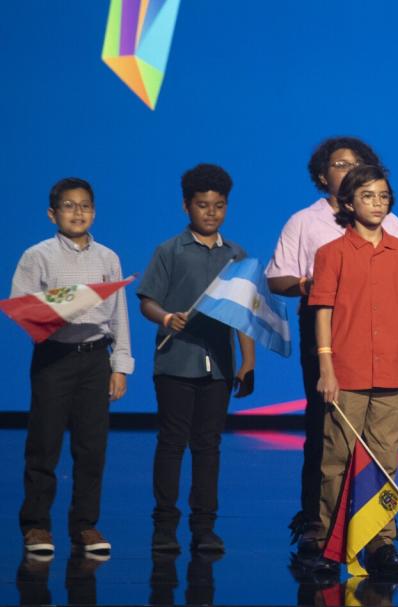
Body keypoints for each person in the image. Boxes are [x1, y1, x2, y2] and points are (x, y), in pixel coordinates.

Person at [265, 137, 398, 554]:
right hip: (329, 336)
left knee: (381, 443)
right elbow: (277, 278)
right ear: (323, 175)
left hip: (381, 341)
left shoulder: (391, 223)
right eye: (340, 165)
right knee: (327, 431)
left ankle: (379, 532)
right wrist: (307, 285)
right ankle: (318, 524)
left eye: (358, 164)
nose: (349, 170)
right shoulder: (306, 223)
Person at [309, 165, 398, 578]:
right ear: (350, 203)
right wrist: (326, 368)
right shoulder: (331, 254)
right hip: (347, 371)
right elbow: (324, 312)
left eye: (383, 196)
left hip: (391, 371)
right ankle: (328, 545)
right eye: (369, 196)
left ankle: (382, 544)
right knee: (336, 461)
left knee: (385, 460)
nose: (377, 203)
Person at [138, 163, 256, 554]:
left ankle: (205, 526)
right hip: (175, 362)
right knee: (172, 442)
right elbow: (147, 301)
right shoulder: (169, 250)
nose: (211, 213)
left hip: (219, 367)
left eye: (219, 206)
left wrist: (247, 360)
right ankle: (164, 526)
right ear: (187, 205)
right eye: (203, 205)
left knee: (209, 446)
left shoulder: (236, 254)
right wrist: (167, 317)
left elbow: (244, 313)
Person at [14, 177, 134, 558]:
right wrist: (62, 307)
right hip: (54, 357)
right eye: (69, 206)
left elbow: (119, 316)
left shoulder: (108, 258)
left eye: (84, 206)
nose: (77, 212)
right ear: (53, 213)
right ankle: (36, 525)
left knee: (91, 447)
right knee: (44, 445)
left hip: (95, 359)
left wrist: (120, 367)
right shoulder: (38, 256)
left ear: (94, 212)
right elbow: (23, 308)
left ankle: (85, 524)